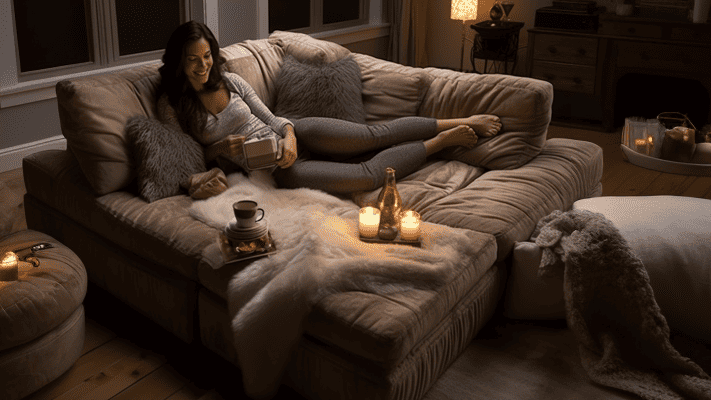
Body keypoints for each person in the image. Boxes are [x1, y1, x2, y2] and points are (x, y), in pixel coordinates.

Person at [158, 21, 502, 196]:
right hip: (274, 170)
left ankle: (456, 121)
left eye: (207, 56)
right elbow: (187, 161)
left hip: (293, 134)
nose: (203, 66)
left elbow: (271, 117)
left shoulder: (230, 81)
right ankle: (439, 144)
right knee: (365, 176)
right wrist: (220, 148)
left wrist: (290, 135)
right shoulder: (172, 105)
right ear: (179, 62)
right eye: (193, 60)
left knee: (372, 135)